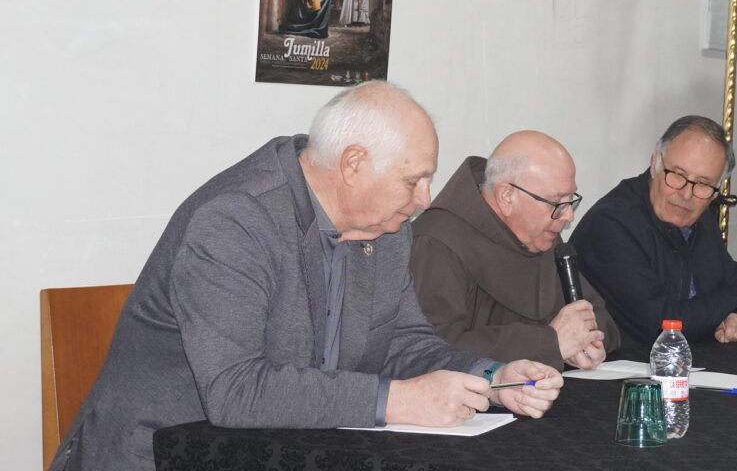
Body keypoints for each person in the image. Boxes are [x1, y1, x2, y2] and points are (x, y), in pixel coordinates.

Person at [50, 82, 563, 471]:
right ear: (354, 164)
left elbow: (404, 343)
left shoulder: (385, 225)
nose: (425, 198)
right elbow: (236, 391)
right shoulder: (236, 220)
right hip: (163, 452)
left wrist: (491, 378)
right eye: (414, 179)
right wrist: (400, 400)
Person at [409, 131, 621, 371]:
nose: (568, 215)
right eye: (557, 202)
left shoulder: (541, 234)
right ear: (506, 196)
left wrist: (586, 341)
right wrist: (550, 342)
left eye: (571, 200)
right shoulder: (437, 243)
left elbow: (600, 319)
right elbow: (431, 350)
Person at [571, 116, 737, 348]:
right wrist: (733, 303)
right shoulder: (612, 224)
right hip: (619, 372)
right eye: (677, 175)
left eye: (703, 184)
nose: (686, 194)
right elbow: (660, 322)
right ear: (656, 162)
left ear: (717, 190)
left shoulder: (701, 218)